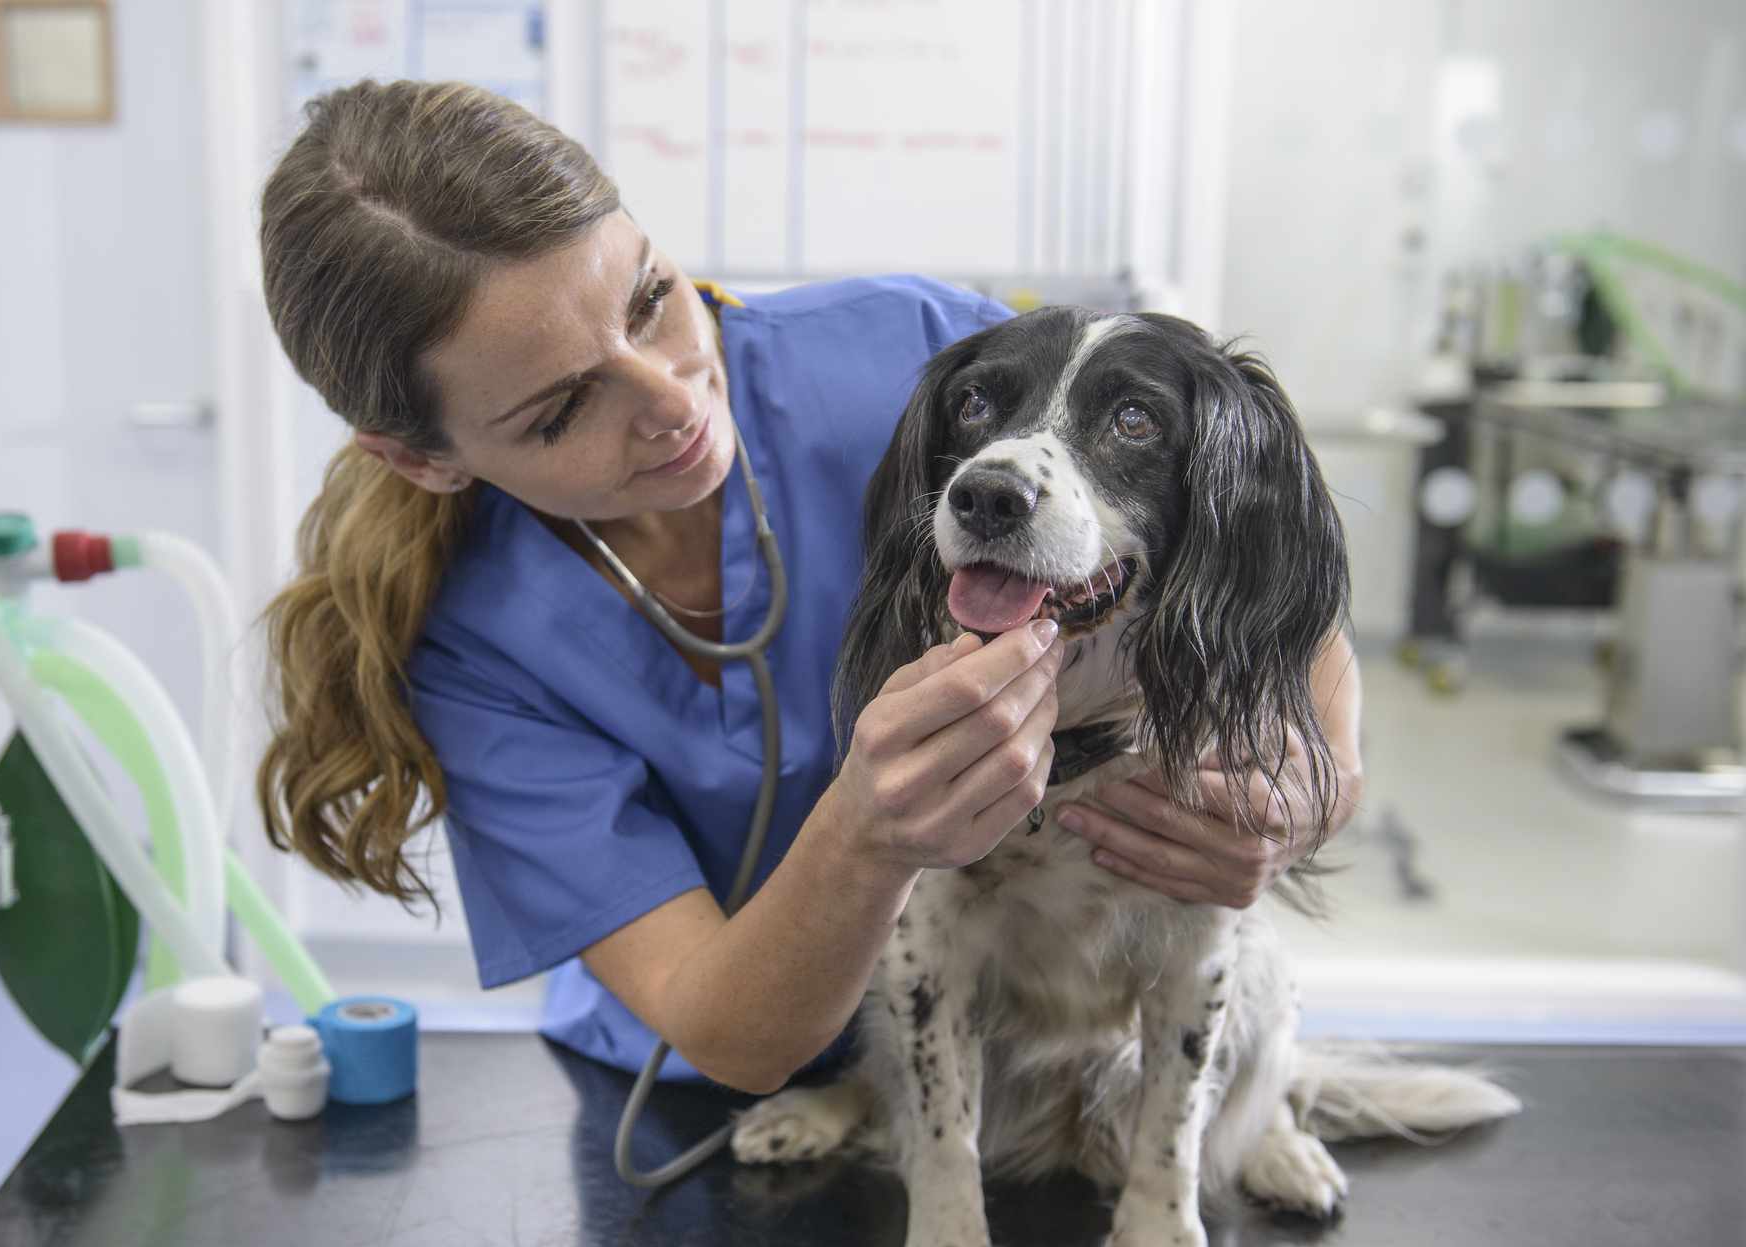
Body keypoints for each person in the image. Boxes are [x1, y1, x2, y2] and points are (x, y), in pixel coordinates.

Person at [255, 80, 1363, 1095]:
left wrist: (1313, 784)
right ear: (423, 457)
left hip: (1012, 1049)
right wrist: (865, 835)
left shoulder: (917, 354)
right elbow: (730, 1032)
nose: (672, 399)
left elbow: (1245, 550)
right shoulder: (475, 646)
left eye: (650, 298)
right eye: (559, 409)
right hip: (710, 1098)